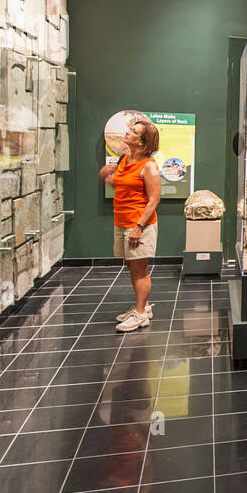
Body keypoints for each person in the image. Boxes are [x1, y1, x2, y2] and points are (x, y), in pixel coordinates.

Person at [99, 114, 162, 331]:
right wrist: (107, 177)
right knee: (132, 266)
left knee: (139, 269)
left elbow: (154, 200)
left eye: (134, 132)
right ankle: (141, 305)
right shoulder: (125, 159)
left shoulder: (149, 166)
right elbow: (124, 188)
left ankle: (141, 313)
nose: (128, 132)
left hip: (139, 225)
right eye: (131, 129)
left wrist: (139, 227)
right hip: (122, 221)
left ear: (143, 143)